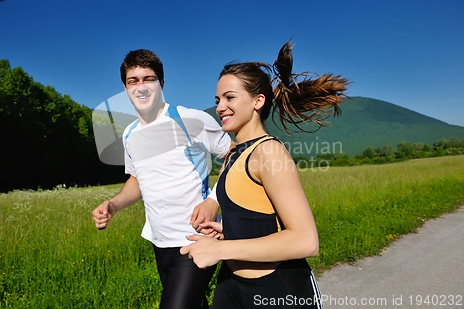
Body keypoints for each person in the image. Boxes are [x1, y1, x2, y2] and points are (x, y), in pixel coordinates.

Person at [180, 41, 349, 308]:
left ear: (258, 101)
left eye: (229, 97)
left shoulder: (268, 152)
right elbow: (262, 220)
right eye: (217, 100)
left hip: (277, 288)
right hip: (231, 285)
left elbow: (306, 241)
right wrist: (228, 232)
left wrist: (221, 250)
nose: (220, 107)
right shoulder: (234, 154)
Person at [91, 49, 232, 309]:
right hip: (160, 242)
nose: (141, 87)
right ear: (125, 88)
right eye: (134, 81)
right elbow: (137, 179)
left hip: (195, 238)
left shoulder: (190, 119)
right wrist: (113, 204)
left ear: (162, 83)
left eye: (149, 79)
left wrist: (214, 201)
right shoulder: (130, 134)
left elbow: (234, 154)